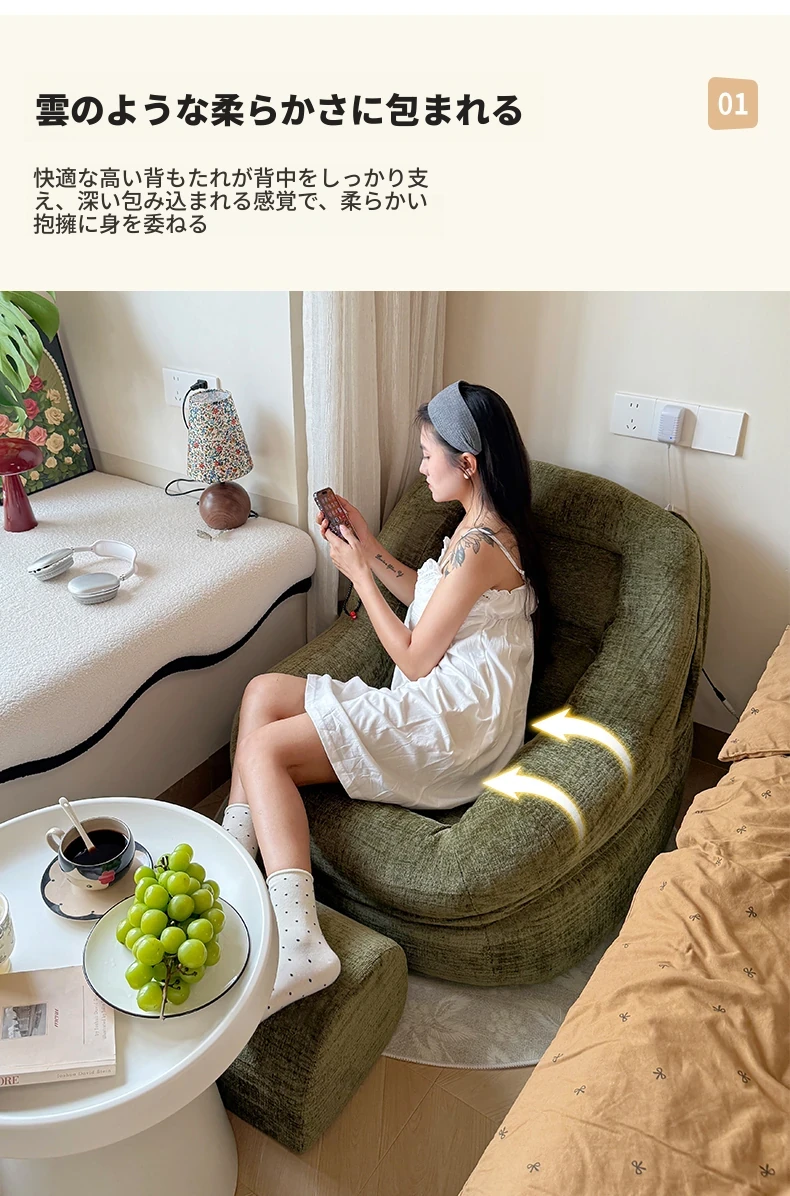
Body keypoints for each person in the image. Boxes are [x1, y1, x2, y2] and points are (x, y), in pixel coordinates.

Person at [222, 380, 551, 1018]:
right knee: (261, 691)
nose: (421, 466)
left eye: (428, 454)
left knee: (261, 751)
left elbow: (413, 656)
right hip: (441, 698)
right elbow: (427, 602)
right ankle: (235, 865)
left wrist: (357, 577)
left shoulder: (482, 546)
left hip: (453, 725)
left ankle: (302, 946)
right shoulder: (475, 529)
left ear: (466, 462)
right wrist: (369, 547)